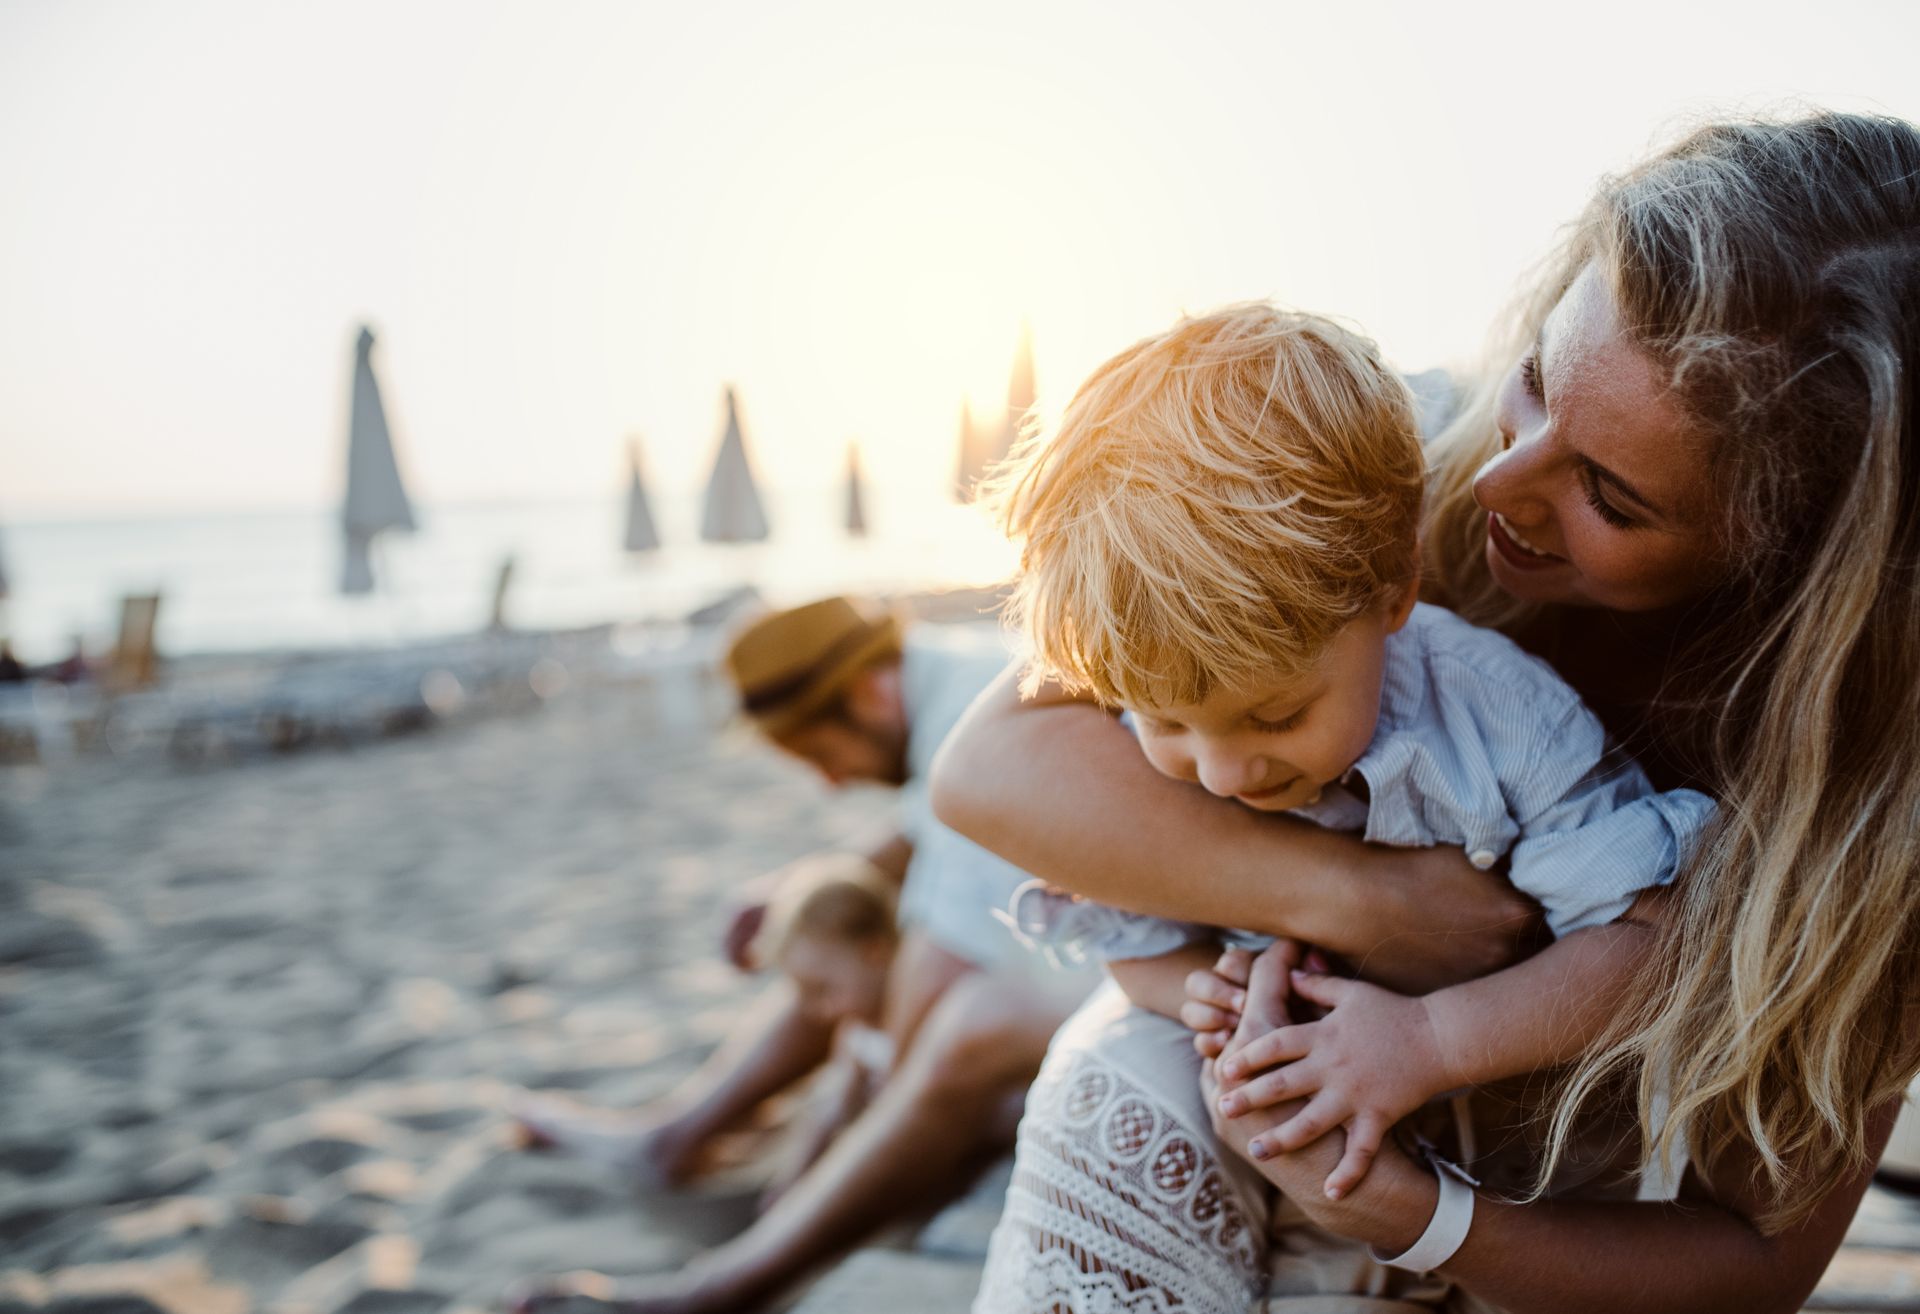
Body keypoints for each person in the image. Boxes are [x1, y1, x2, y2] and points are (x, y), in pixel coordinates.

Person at [932, 111, 1920, 1313]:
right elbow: (991, 767)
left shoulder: (1861, 808)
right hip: (1287, 1128)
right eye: (1538, 380)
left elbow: (1753, 1261)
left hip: (1525, 1235)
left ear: (1792, 561)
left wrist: (1419, 1215)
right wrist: (1362, 902)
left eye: (1607, 490)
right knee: (1113, 1082)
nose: (1496, 480)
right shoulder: (1350, 473)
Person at [991, 302, 1713, 1208]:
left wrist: (1430, 1042)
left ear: (1395, 589)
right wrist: (1194, 993)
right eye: (1165, 724)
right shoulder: (1161, 698)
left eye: (1277, 715)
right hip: (1284, 1174)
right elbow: (1127, 936)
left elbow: (1647, 950)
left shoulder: (1504, 721)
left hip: (1518, 1181)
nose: (1223, 774)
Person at [512, 595, 1096, 1314]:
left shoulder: (968, 725)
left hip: (1127, 976)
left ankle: (720, 1285)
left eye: (823, 753)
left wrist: (868, 1112)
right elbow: (918, 838)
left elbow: (947, 950)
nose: (831, 781)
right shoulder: (950, 678)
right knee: (835, 942)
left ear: (869, 693)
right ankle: (681, 1134)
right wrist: (795, 893)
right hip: (1076, 949)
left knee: (946, 1018)